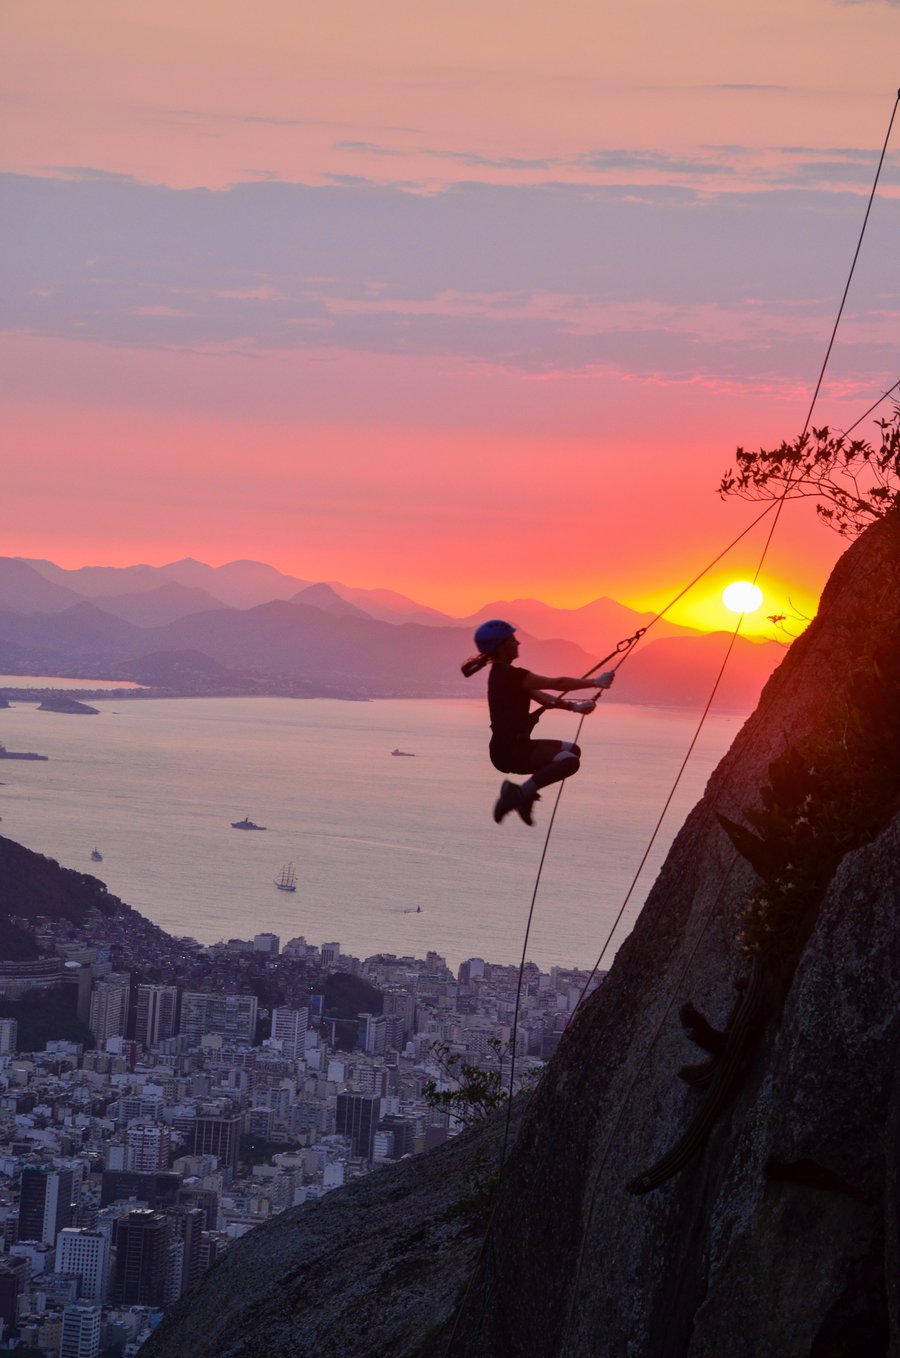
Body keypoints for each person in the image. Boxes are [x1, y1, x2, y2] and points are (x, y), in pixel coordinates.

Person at [461, 619, 615, 826]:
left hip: (512, 746)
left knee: (573, 750)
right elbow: (556, 683)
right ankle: (519, 795)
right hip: (510, 753)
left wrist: (574, 707)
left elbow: (542, 697)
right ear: (502, 646)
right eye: (513, 640)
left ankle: (521, 794)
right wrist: (595, 682)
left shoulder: (503, 675)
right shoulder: (510, 675)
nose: (518, 644)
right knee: (570, 761)